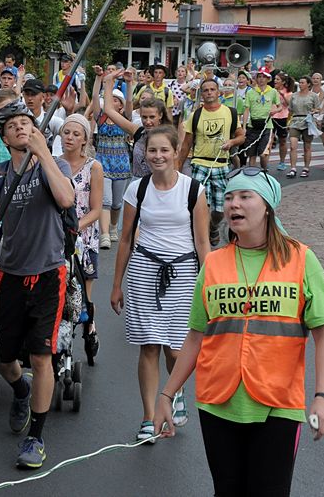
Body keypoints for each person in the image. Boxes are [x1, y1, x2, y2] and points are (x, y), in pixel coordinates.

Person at [153, 167, 324, 497]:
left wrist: (323, 397)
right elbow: (195, 336)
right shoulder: (214, 264)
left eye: (245, 196)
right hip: (217, 402)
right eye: (231, 196)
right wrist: (167, 395)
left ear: (267, 206)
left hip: (278, 403)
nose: (234, 203)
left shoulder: (301, 260)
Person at [0, 102, 74, 469]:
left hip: (49, 272)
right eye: (14, 125)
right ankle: (20, 390)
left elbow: (67, 199)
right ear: (5, 137)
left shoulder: (55, 166)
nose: (21, 128)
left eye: (27, 123)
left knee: (41, 356)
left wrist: (43, 154)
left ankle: (36, 437)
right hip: (9, 273)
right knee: (4, 358)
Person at [111, 125, 210, 442]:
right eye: (151, 150)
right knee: (150, 345)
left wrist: (209, 284)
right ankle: (148, 417)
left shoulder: (193, 190)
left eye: (164, 150)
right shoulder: (136, 190)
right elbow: (125, 240)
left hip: (183, 275)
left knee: (175, 347)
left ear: (176, 151)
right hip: (144, 271)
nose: (157, 156)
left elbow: (203, 243)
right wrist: (117, 284)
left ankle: (174, 392)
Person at [178, 77, 245, 247]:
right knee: (202, 206)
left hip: (221, 164)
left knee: (220, 209)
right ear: (201, 94)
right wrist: (177, 168)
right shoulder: (196, 115)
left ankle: (214, 227)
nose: (209, 93)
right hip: (200, 164)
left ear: (219, 92)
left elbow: (241, 136)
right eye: (205, 90)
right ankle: (202, 240)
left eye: (212, 89)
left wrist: (231, 143)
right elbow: (186, 144)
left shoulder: (230, 112)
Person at [59, 114, 103, 362]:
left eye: (76, 134)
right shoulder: (55, 163)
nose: (70, 138)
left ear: (85, 139)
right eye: (67, 132)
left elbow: (96, 209)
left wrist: (75, 227)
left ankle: (90, 325)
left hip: (83, 235)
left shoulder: (93, 167)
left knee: (83, 292)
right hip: (58, 233)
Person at [91, 73, 132, 249]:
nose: (112, 102)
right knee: (105, 201)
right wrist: (99, 79)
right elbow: (94, 97)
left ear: (121, 106)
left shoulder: (125, 120)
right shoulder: (100, 118)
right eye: (111, 99)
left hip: (121, 164)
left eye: (117, 100)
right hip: (102, 163)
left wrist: (130, 84)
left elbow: (130, 103)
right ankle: (105, 234)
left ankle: (114, 227)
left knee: (116, 203)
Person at [241, 70, 280, 169]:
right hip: (252, 125)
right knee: (251, 154)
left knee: (263, 154)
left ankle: (264, 171)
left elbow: (280, 107)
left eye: (263, 77)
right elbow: (246, 109)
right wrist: (244, 126)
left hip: (266, 126)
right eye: (259, 77)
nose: (261, 79)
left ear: (268, 79)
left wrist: (274, 111)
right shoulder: (250, 92)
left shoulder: (273, 92)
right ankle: (252, 175)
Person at [286, 76, 322, 178]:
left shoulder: (313, 96)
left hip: (307, 121)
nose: (300, 84)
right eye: (300, 82)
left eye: (302, 83)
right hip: (295, 121)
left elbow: (318, 108)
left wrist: (315, 111)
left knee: (307, 146)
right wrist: (288, 122)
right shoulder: (294, 95)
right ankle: (293, 168)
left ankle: (306, 168)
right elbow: (290, 110)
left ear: (308, 84)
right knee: (293, 146)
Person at [270, 72, 293, 171]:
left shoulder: (288, 92)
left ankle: (282, 162)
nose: (275, 81)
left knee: (282, 141)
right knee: (269, 140)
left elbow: (289, 105)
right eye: (275, 79)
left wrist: (282, 95)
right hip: (271, 117)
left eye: (278, 79)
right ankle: (265, 161)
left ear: (283, 82)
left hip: (283, 117)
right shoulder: (271, 91)